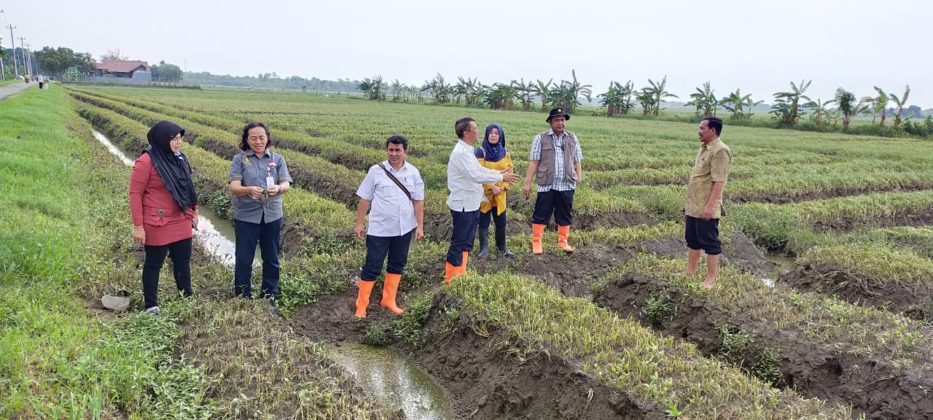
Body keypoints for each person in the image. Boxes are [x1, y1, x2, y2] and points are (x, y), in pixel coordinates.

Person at [129, 120, 199, 316]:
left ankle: (186, 296)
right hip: (157, 222)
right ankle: (151, 305)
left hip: (181, 218)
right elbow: (135, 194)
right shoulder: (146, 162)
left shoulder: (180, 159)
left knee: (183, 261)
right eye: (174, 139)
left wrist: (194, 212)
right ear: (161, 139)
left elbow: (188, 187)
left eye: (180, 139)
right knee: (154, 263)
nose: (178, 143)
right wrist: (138, 226)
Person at [353, 135, 425, 318]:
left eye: (397, 150)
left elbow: (418, 201)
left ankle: (388, 300)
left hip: (403, 229)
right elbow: (364, 198)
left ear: (405, 152)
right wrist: (360, 223)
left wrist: (419, 226)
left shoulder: (413, 173)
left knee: (397, 264)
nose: (394, 153)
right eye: (391, 150)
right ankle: (361, 306)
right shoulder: (375, 171)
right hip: (380, 229)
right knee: (372, 266)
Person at [445, 117, 519, 283]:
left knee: (467, 241)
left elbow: (479, 169)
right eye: (476, 129)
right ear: (467, 133)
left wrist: (500, 176)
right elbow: (476, 175)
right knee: (459, 241)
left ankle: (461, 274)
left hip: (472, 203)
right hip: (463, 204)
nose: (479, 132)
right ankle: (451, 278)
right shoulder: (461, 153)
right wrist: (500, 175)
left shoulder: (468, 150)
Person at [227, 122, 293, 302]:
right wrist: (248, 190)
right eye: (253, 138)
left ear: (267, 138)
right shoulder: (240, 160)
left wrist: (278, 188)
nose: (258, 141)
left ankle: (269, 293)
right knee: (244, 258)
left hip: (272, 215)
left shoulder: (278, 159)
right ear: (246, 140)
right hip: (247, 216)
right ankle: (243, 295)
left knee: (271, 256)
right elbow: (234, 187)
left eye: (261, 137)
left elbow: (286, 183)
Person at [522, 107, 583, 255]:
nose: (560, 123)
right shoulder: (540, 138)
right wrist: (527, 183)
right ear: (550, 122)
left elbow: (577, 159)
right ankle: (537, 242)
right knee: (541, 213)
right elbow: (534, 162)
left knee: (565, 214)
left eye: (562, 120)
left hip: (566, 183)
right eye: (557, 120)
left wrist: (579, 176)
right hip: (546, 184)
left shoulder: (572, 138)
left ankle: (563, 242)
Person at [683, 117, 732, 288]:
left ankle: (711, 278)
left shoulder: (720, 151)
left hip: (706, 205)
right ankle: (690, 272)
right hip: (694, 204)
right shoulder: (704, 149)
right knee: (692, 240)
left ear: (713, 130)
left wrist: (710, 206)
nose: (699, 131)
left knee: (710, 242)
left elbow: (719, 181)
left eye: (702, 128)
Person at [474, 123, 514, 258]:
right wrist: (492, 187)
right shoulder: (481, 152)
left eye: (497, 133)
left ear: (501, 136)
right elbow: (478, 172)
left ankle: (502, 247)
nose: (493, 135)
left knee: (501, 222)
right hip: (485, 195)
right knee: (483, 222)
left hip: (500, 195)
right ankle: (484, 249)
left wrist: (502, 188)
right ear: (487, 135)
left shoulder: (505, 153)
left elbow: (509, 173)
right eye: (491, 132)